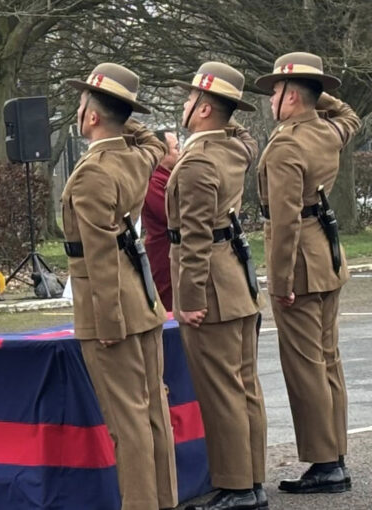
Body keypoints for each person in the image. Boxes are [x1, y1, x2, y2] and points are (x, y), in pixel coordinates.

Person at [62, 63, 177, 510]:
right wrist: (121, 109)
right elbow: (152, 142)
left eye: (83, 104)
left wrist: (107, 322)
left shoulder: (92, 173)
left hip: (111, 307)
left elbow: (100, 255)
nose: (78, 111)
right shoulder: (134, 157)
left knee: (126, 421)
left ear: (91, 116)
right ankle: (163, 500)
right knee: (153, 414)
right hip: (142, 298)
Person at [255, 52, 360, 494]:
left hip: (299, 261)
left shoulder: (286, 145)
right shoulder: (328, 131)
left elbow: (284, 223)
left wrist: (278, 283)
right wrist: (321, 99)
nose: (270, 99)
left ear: (291, 96)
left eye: (276, 91)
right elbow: (349, 115)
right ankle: (334, 453)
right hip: (327, 256)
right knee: (328, 360)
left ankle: (323, 463)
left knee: (305, 367)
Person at [167, 62, 266, 510]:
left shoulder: (199, 161)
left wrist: (187, 300)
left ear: (204, 108)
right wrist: (228, 102)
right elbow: (245, 134)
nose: (184, 106)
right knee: (244, 385)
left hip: (211, 287)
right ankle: (253, 478)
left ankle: (237, 486)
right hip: (236, 278)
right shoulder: (235, 148)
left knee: (222, 391)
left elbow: (194, 238)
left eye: (191, 100)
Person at [141, 130, 179, 310]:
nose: (180, 152)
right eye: (176, 148)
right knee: (167, 302)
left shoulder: (170, 177)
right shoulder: (154, 181)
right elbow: (170, 214)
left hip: (173, 250)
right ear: (162, 152)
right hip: (163, 251)